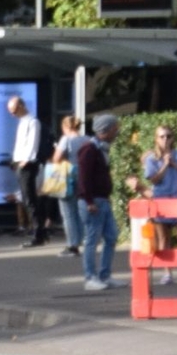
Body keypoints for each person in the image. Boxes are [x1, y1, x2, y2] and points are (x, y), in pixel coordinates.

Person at [76, 113, 120, 290]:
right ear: (105, 130)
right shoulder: (90, 150)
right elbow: (83, 177)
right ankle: (90, 277)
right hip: (93, 201)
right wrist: (88, 200)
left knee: (111, 236)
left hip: (102, 200)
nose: (116, 132)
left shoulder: (100, 149)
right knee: (92, 240)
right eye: (114, 129)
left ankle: (104, 275)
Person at [142, 125, 177, 266]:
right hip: (161, 201)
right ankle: (167, 271)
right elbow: (153, 179)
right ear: (156, 139)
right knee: (163, 238)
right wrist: (164, 165)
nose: (165, 139)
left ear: (173, 138)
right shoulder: (151, 159)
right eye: (162, 136)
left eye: (168, 136)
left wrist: (174, 163)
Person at [8, 95, 46, 246]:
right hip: (20, 164)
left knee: (30, 199)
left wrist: (26, 160)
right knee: (26, 198)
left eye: (14, 110)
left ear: (22, 106)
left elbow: (32, 143)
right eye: (11, 111)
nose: (13, 114)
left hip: (27, 165)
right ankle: (37, 231)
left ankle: (38, 233)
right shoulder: (22, 122)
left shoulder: (32, 121)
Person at [48, 115, 87, 255]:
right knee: (80, 211)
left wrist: (56, 153)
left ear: (65, 127)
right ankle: (83, 239)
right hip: (83, 176)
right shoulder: (87, 140)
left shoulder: (66, 140)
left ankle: (72, 245)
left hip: (67, 176)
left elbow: (56, 159)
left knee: (68, 212)